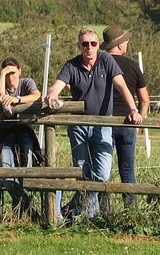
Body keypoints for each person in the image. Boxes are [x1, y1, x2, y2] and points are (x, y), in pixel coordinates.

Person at [43, 28, 144, 219]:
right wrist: (52, 95)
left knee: (103, 174)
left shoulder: (106, 60)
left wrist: (133, 110)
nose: (89, 47)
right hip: (79, 127)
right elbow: (57, 85)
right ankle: (90, 216)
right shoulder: (72, 65)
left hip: (102, 124)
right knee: (83, 172)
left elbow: (121, 85)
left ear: (98, 45)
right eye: (85, 44)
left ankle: (70, 210)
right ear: (79, 46)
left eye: (93, 43)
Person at [100, 25, 150, 208]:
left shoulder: (99, 63)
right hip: (128, 123)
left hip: (104, 122)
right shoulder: (132, 66)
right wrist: (138, 123)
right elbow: (144, 100)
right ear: (120, 45)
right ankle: (131, 211)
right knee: (127, 170)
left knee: (103, 171)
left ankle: (103, 212)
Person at [0, 56, 42, 220]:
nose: (11, 77)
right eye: (7, 73)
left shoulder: (26, 82)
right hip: (5, 133)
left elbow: (37, 95)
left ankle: (20, 210)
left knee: (27, 166)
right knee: (6, 171)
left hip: (24, 130)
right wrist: (1, 75)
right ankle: (29, 209)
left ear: (20, 71)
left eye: (13, 73)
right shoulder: (1, 84)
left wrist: (17, 99)